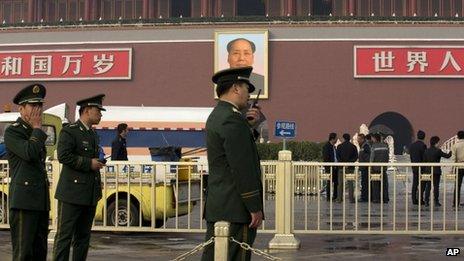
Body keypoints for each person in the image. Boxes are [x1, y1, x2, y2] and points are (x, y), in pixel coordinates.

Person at [201, 66, 263, 261]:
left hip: (222, 204)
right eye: (246, 88)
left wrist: (248, 126)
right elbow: (241, 166)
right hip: (235, 207)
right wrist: (254, 205)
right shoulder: (232, 120)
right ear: (236, 88)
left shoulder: (221, 115)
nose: (247, 94)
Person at [53, 94, 106, 261]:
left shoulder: (92, 134)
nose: (100, 114)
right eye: (98, 110)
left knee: (83, 238)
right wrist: (88, 163)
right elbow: (64, 156)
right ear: (87, 110)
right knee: (64, 236)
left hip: (89, 193)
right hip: (71, 193)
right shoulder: (70, 131)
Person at [4, 84, 49, 261]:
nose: (38, 110)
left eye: (40, 106)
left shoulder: (34, 132)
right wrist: (38, 129)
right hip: (23, 200)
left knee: (39, 252)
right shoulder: (13, 131)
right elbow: (29, 153)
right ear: (21, 109)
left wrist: (36, 130)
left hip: (39, 200)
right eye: (33, 106)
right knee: (23, 253)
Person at [421, 136, 452, 207]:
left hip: (428, 170)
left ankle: (426, 201)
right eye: (438, 142)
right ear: (436, 143)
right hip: (436, 171)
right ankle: (436, 201)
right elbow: (447, 156)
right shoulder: (438, 151)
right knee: (436, 186)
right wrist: (451, 151)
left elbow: (424, 161)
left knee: (428, 186)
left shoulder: (426, 151)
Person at [336, 133, 358, 203]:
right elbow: (356, 157)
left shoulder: (339, 146)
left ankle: (339, 198)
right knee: (350, 183)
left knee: (340, 183)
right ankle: (351, 199)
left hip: (341, 167)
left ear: (343, 138)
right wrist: (349, 162)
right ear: (349, 138)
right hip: (350, 167)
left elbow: (338, 157)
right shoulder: (353, 147)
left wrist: (343, 163)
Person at [370, 133, 390, 203]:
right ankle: (385, 198)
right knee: (384, 184)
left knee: (375, 184)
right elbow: (387, 157)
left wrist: (370, 166)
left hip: (375, 168)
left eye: (372, 138)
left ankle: (376, 199)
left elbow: (372, 157)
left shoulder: (374, 146)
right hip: (383, 168)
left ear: (375, 139)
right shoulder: (385, 146)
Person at [409, 130, 427, 205]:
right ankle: (420, 199)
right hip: (422, 167)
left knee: (415, 184)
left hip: (414, 167)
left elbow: (411, 156)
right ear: (424, 137)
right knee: (422, 184)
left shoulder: (412, 145)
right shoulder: (423, 145)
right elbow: (424, 157)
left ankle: (414, 199)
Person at [322, 133, 339, 201]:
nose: (337, 139)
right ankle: (329, 197)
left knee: (336, 182)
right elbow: (326, 158)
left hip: (335, 167)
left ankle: (335, 196)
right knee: (329, 182)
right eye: (336, 138)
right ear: (333, 138)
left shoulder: (334, 146)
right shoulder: (327, 146)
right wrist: (328, 166)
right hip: (330, 167)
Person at [357, 134, 371, 202]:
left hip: (365, 168)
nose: (357, 140)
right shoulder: (363, 146)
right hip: (363, 168)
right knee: (364, 183)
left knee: (365, 183)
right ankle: (364, 197)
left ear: (362, 139)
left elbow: (368, 157)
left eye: (359, 139)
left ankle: (365, 198)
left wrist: (365, 165)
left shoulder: (366, 146)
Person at [452, 130, 464, 207]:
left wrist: (451, 169)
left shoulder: (455, 145)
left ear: (458, 137)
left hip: (459, 166)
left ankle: (456, 202)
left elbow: (453, 159)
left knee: (457, 185)